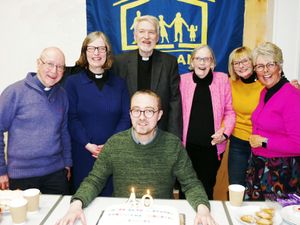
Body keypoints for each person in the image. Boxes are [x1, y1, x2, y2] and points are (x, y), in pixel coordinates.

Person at [57, 90, 217, 225]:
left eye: (149, 111)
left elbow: (190, 184)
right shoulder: (115, 144)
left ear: (159, 115)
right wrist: (76, 205)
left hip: (160, 217)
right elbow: (95, 180)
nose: (142, 117)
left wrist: (203, 209)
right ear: (130, 113)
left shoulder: (173, 145)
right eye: (136, 110)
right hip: (123, 216)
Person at [63, 31, 131, 194]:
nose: (96, 53)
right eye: (92, 48)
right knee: (84, 198)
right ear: (84, 52)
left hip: (113, 152)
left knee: (111, 200)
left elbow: (125, 117)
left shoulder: (119, 83)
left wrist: (110, 145)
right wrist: (88, 144)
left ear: (107, 53)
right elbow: (71, 118)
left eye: (101, 48)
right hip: (83, 151)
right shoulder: (72, 83)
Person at [0, 47, 72, 194]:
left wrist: (67, 163)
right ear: (38, 63)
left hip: (56, 173)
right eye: (49, 64)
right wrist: (1, 171)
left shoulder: (62, 95)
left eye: (60, 67)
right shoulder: (14, 92)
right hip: (22, 176)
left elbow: (64, 131)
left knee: (60, 215)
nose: (54, 71)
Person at [112, 15, 182, 138]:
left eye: (151, 32)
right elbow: (115, 101)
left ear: (158, 37)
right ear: (135, 36)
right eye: (142, 32)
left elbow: (174, 102)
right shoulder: (120, 62)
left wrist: (173, 138)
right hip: (128, 132)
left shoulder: (169, 62)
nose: (146, 37)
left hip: (161, 133)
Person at [180, 45, 236, 199]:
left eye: (207, 59)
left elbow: (230, 112)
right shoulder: (182, 81)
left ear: (212, 63)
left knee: (206, 188)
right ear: (192, 62)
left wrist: (224, 133)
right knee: (187, 189)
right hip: (187, 148)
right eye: (198, 58)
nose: (202, 63)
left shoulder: (223, 79)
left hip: (212, 148)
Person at [247, 42, 300, 200]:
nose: (265, 70)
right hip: (259, 165)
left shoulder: (292, 96)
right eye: (260, 66)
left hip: (280, 172)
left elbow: (297, 143)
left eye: (270, 64)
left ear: (280, 66)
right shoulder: (265, 92)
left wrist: (264, 142)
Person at [227, 47, 264, 186]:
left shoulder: (265, 83)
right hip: (239, 142)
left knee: (261, 184)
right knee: (236, 185)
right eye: (236, 63)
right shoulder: (230, 83)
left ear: (253, 62)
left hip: (262, 142)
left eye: (245, 61)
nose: (241, 66)